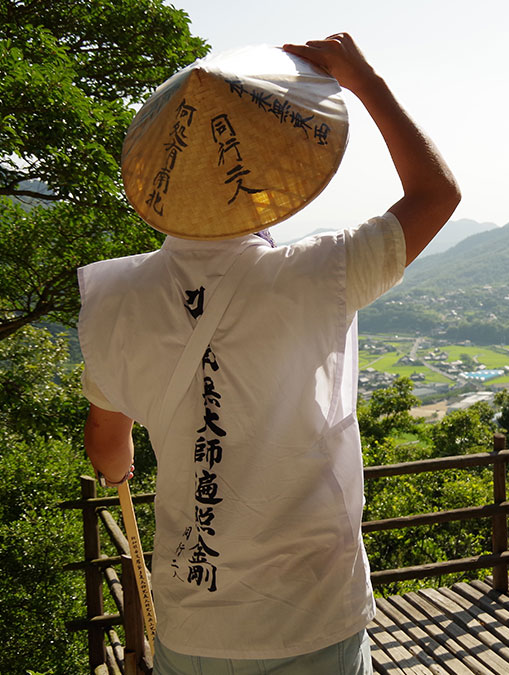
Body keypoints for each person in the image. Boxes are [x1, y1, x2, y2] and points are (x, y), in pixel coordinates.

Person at [79, 34, 459, 674]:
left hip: (191, 622)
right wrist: (362, 79)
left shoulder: (113, 298)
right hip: (311, 614)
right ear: (275, 177)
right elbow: (435, 196)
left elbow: (106, 444)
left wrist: (118, 477)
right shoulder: (318, 274)